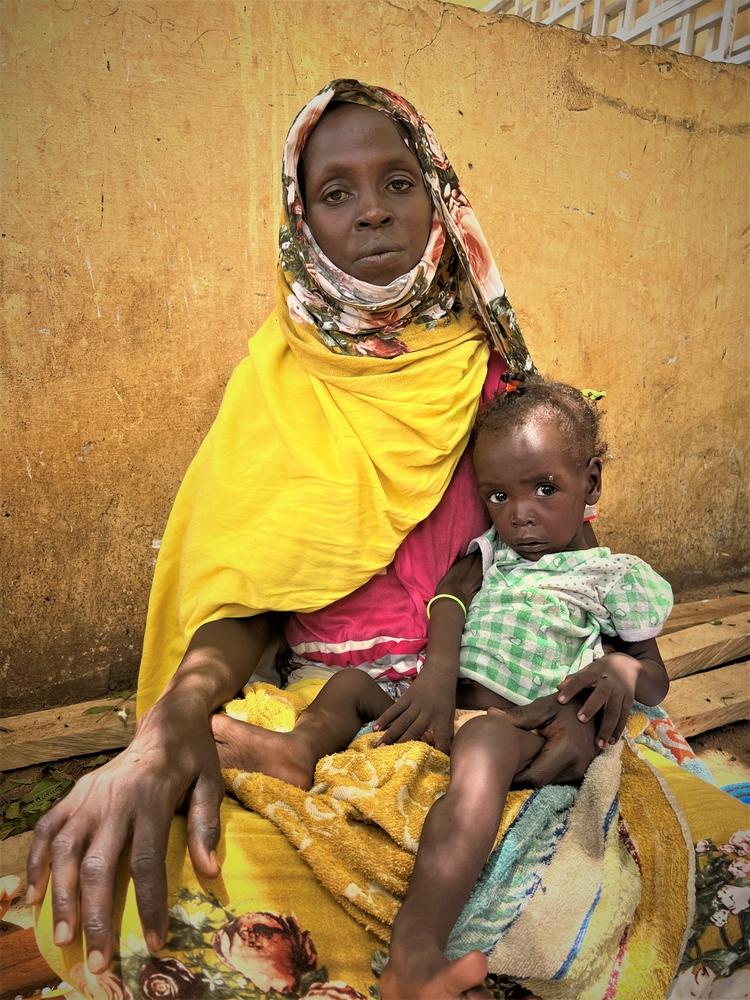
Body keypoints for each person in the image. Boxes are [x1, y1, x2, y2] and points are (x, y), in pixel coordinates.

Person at [30, 82, 726, 997]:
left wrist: (575, 710)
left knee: (704, 867)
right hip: (335, 705)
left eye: (399, 181)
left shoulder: (496, 382)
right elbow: (246, 595)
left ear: (439, 197)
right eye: (336, 192)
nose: (372, 213)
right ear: (301, 220)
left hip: (494, 696)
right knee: (139, 903)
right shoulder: (276, 389)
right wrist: (174, 719)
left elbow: (564, 561)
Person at [211, 375, 673, 998]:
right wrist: (434, 678)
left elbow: (653, 672)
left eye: (544, 489)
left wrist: (617, 671)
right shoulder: (490, 552)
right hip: (445, 710)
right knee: (350, 685)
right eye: (498, 496)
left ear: (589, 481)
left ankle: (417, 951)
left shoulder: (613, 576)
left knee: (483, 742)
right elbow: (450, 601)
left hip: (530, 730)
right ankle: (296, 752)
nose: (521, 514)